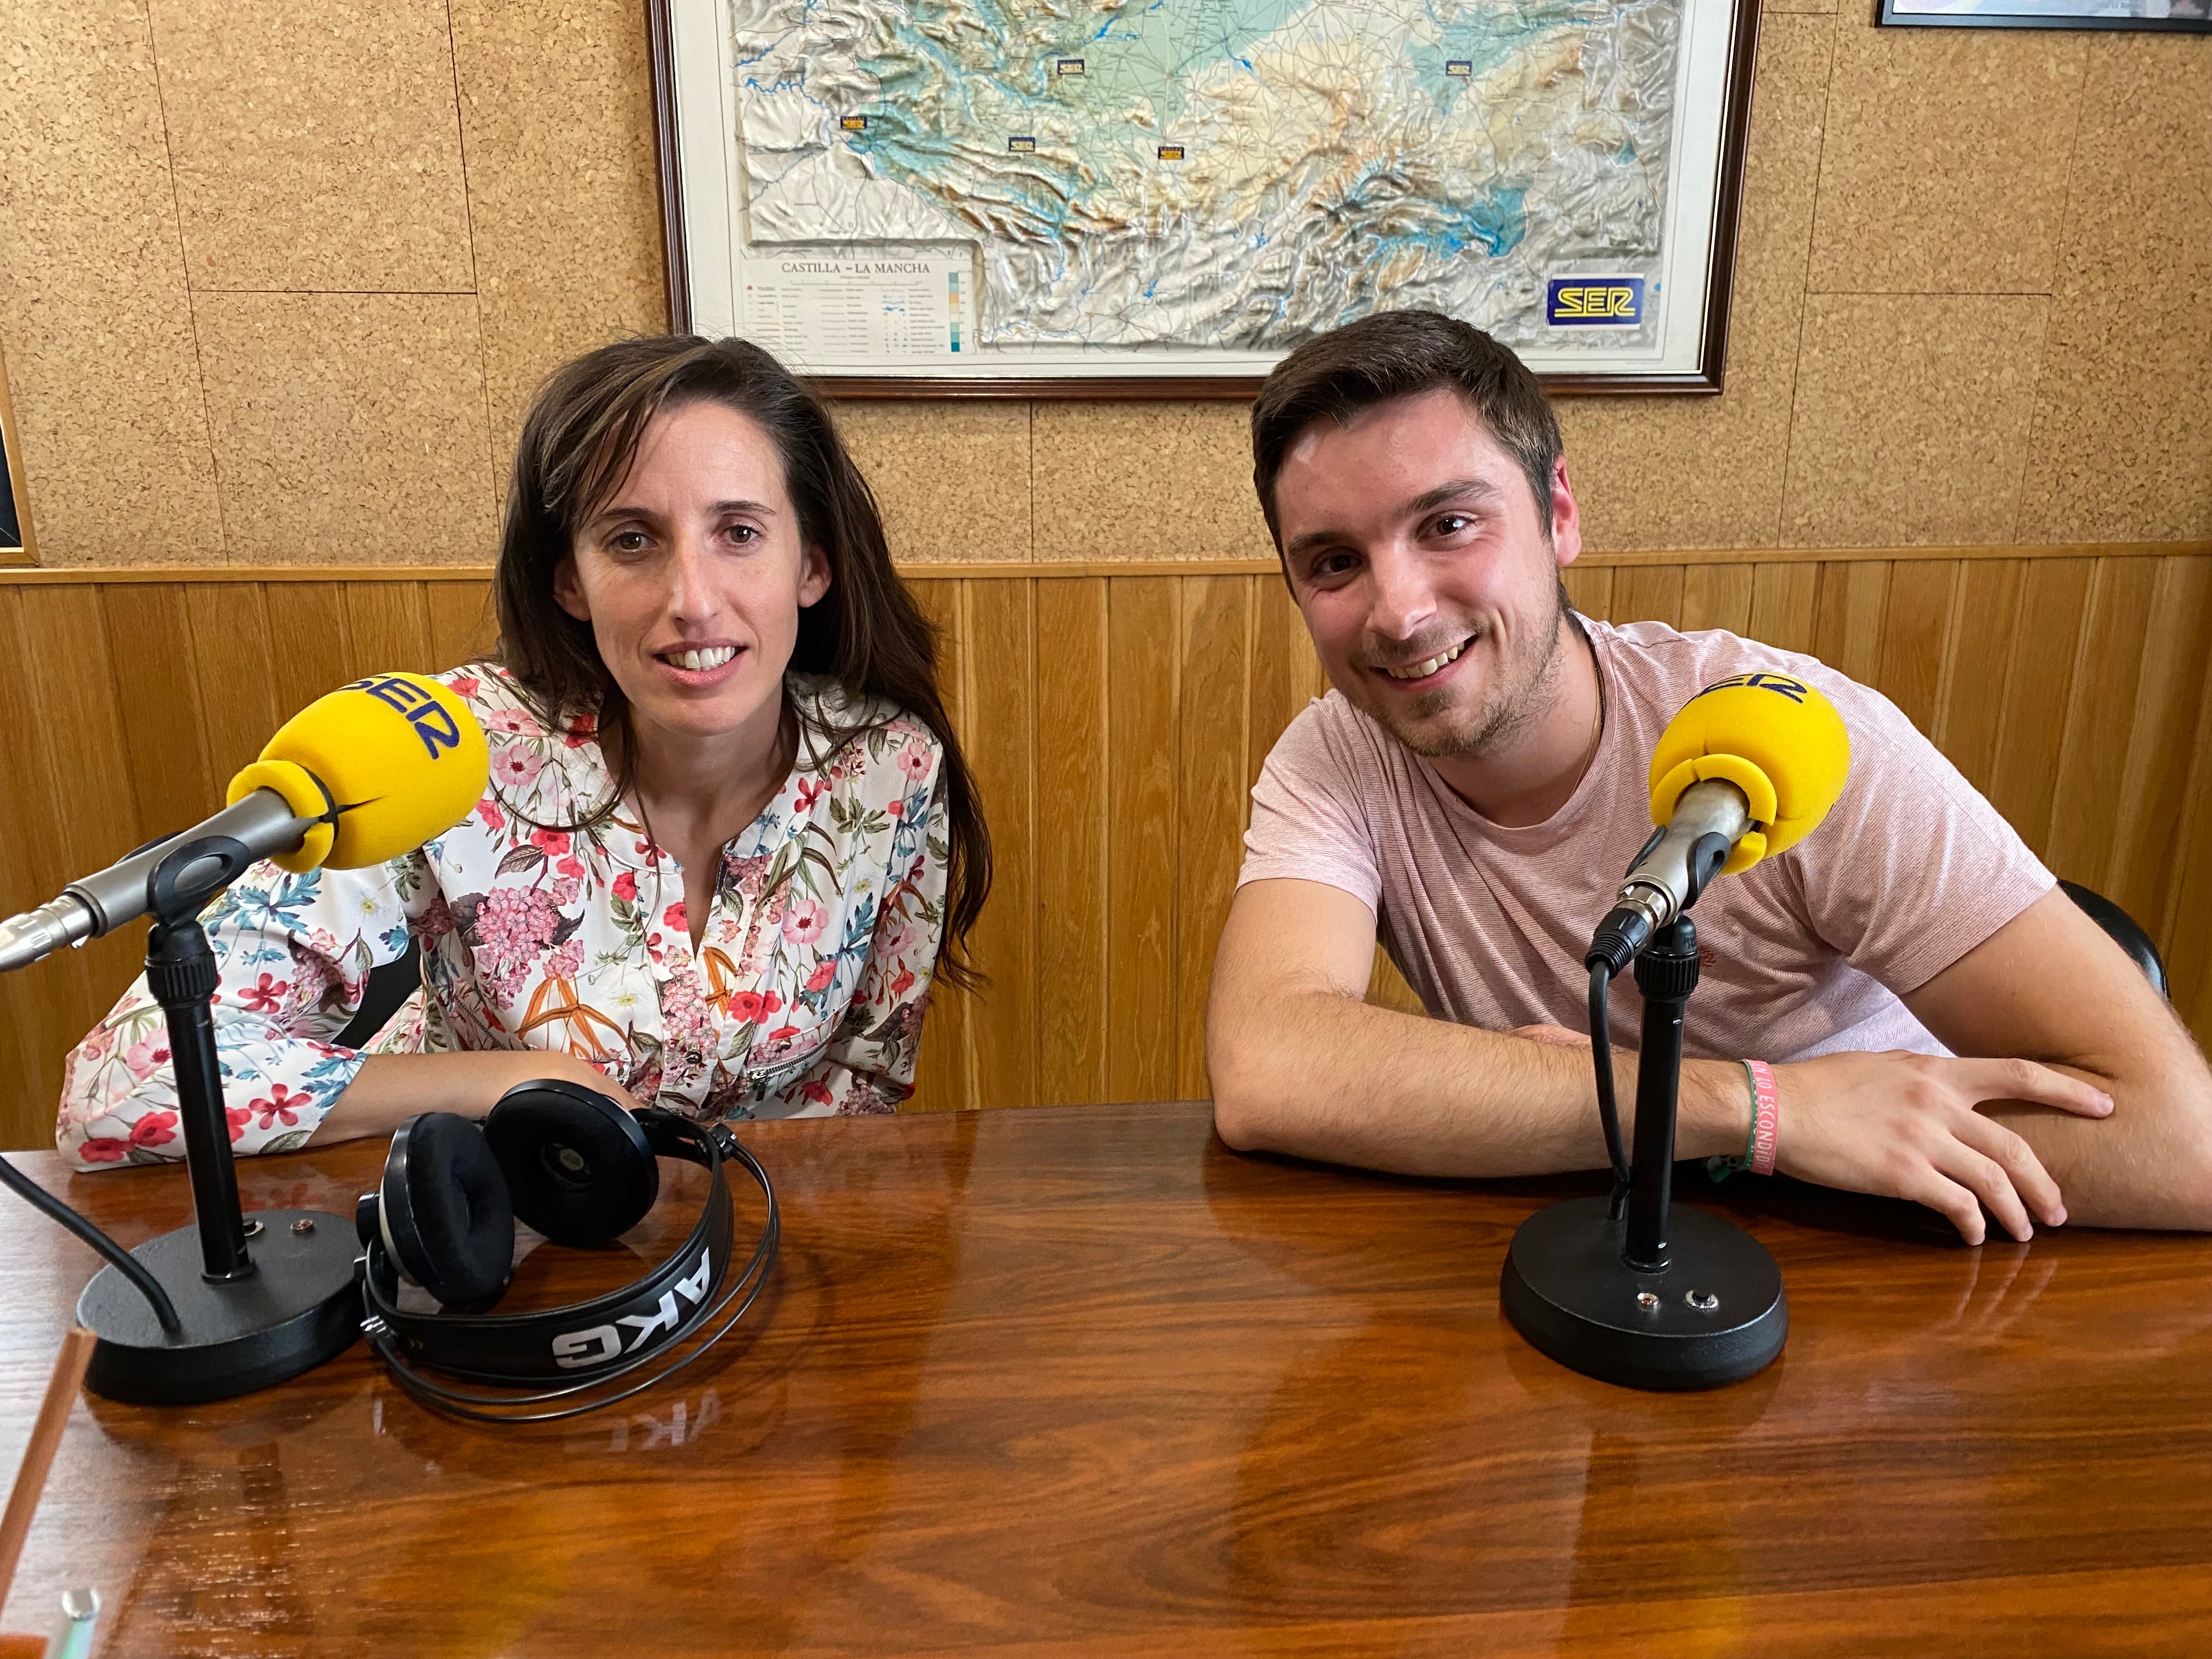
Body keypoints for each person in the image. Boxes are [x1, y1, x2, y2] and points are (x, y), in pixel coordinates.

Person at [1206, 309, 2212, 1243]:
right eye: (1335, 562)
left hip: (1902, 1259)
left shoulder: (1790, 735)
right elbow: (1270, 1067)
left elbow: (2183, 1143)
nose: (1399, 611)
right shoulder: (1338, 754)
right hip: (1612, 1259)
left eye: (1449, 526)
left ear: (1558, 513)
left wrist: (1609, 1105)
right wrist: (1766, 1112)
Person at [58, 336, 989, 1167]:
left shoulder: (888, 766)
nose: (693, 599)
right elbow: (123, 1083)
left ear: (813, 565)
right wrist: (510, 1081)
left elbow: (868, 1082)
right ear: (570, 582)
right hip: (501, 1236)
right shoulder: (451, 750)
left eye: (739, 533)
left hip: (766, 1251)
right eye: (633, 541)